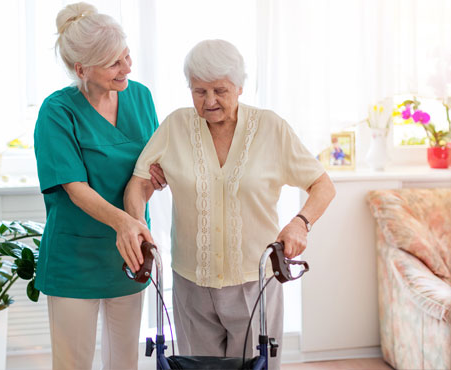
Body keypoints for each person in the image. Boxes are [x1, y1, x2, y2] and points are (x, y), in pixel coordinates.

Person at [123, 39, 336, 369]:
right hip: (191, 285)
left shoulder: (270, 128)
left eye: (219, 90)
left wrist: (301, 222)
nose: (209, 101)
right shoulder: (175, 127)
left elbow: (322, 184)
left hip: (254, 283)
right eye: (199, 91)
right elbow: (137, 183)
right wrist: (138, 224)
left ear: (239, 86)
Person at [33, 3, 166, 369]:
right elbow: (75, 188)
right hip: (75, 260)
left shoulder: (140, 97)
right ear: (82, 69)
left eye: (127, 56)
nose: (127, 68)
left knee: (124, 361)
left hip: (130, 254)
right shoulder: (57, 111)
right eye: (114, 63)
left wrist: (149, 191)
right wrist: (124, 223)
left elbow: (148, 170)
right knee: (73, 362)